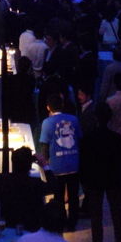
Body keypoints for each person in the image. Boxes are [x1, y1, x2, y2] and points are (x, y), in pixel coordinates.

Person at [79, 102, 121, 242]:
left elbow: (84, 162)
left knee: (96, 217)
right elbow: (120, 160)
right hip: (113, 179)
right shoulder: (116, 138)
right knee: (117, 217)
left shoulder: (88, 138)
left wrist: (84, 180)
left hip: (94, 180)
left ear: (95, 118)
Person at [38, 93, 82, 231]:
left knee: (58, 197)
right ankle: (72, 223)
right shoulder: (74, 119)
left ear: (48, 107)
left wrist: (44, 163)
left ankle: (60, 222)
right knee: (74, 196)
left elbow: (44, 145)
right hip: (74, 163)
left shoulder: (47, 122)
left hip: (57, 166)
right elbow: (80, 140)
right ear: (62, 105)